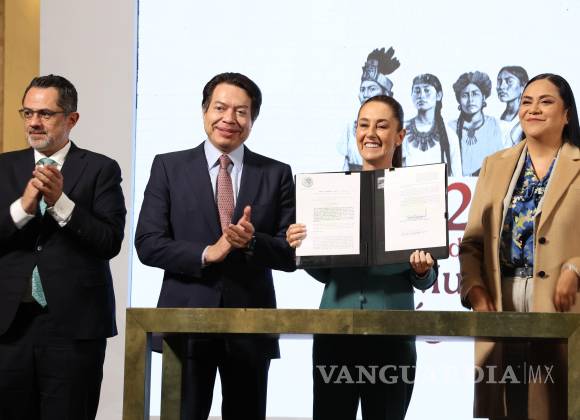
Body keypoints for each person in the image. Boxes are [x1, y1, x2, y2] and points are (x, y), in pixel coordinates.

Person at [134, 72, 295, 420]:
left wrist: (251, 242)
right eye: (220, 108)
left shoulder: (276, 173)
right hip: (186, 323)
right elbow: (147, 243)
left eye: (241, 111)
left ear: (253, 119)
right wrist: (208, 253)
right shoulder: (168, 167)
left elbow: (290, 253)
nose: (229, 118)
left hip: (250, 325)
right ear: (204, 111)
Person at [288, 95, 437, 420]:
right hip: (334, 331)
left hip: (392, 335)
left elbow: (427, 276)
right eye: (363, 125)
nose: (370, 133)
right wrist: (303, 248)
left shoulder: (415, 193)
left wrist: (422, 270)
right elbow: (327, 274)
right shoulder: (331, 193)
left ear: (400, 135)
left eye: (382, 126)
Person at [0, 75, 126, 420]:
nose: (34, 122)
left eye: (45, 114)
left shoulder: (100, 169)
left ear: (72, 119)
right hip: (10, 326)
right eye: (28, 113)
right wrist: (23, 207)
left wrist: (61, 202)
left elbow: (109, 242)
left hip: (74, 327)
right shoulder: (4, 167)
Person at [459, 73, 580, 420]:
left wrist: (575, 267)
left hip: (563, 305)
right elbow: (472, 243)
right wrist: (476, 291)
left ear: (567, 114)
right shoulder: (494, 165)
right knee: (506, 405)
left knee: (555, 406)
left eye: (545, 101)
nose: (533, 109)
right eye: (527, 102)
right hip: (501, 300)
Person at [337, 47, 400, 171]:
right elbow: (345, 165)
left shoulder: (397, 126)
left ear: (385, 94)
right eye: (362, 89)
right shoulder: (350, 126)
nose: (365, 94)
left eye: (372, 89)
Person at [402, 73, 462, 176]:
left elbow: (457, 178)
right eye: (417, 91)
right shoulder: (400, 131)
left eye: (427, 90)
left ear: (439, 95)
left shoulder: (449, 135)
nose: (421, 96)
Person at [450, 71, 504, 176]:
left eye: (475, 94)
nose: (470, 100)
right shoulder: (450, 128)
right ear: (459, 100)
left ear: (483, 97)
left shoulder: (497, 126)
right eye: (465, 95)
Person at [496, 66, 529, 148]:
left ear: (523, 87)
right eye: (499, 81)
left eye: (509, 81)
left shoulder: (528, 119)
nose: (501, 86)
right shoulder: (495, 120)